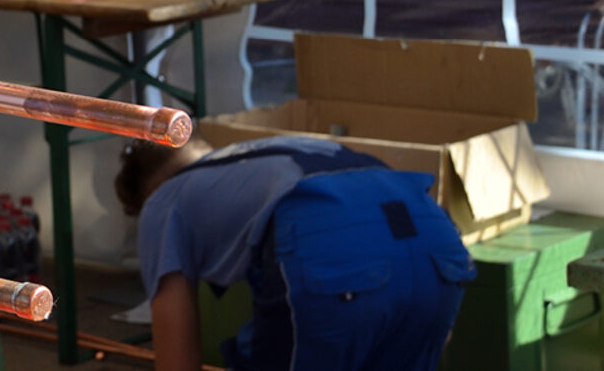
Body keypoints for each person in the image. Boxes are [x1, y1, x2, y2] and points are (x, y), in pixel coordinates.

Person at [114, 133, 474, 371]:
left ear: (147, 193)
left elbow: (178, 360)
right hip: (435, 240)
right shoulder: (271, 152)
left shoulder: (163, 200)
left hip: (331, 243)